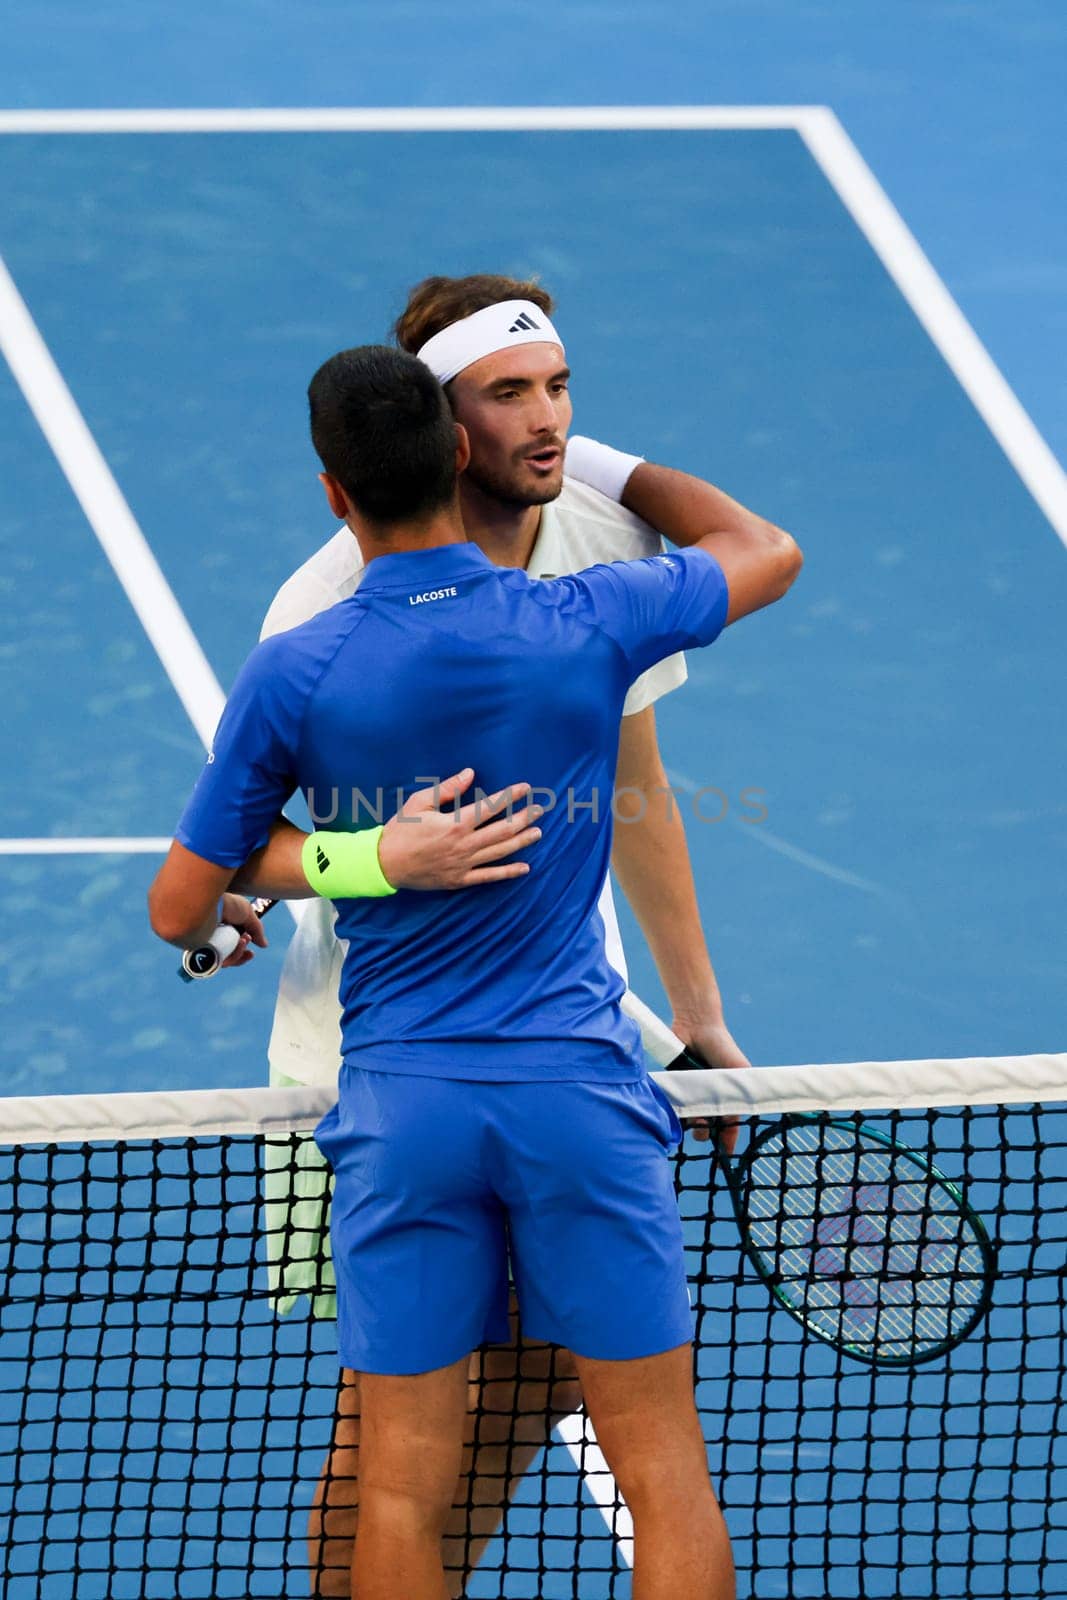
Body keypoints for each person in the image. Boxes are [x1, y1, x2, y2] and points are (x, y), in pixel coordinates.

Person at [149, 340, 802, 1600]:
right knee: (665, 1465)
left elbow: (185, 903)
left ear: (332, 492)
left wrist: (371, 857)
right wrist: (597, 461)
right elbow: (760, 546)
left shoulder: (301, 663)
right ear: (461, 451)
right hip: (578, 1102)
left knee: (398, 1481)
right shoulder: (586, 618)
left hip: (403, 1113)